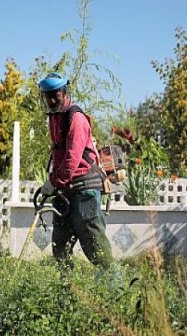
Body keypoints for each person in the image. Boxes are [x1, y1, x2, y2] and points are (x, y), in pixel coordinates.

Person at [38, 72, 113, 270]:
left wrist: (54, 182)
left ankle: (117, 288)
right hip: (66, 190)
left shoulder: (76, 118)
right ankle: (68, 292)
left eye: (56, 95)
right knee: (60, 246)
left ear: (65, 93)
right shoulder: (55, 117)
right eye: (48, 96)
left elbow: (72, 158)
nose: (52, 99)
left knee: (95, 244)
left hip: (84, 187)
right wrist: (55, 182)